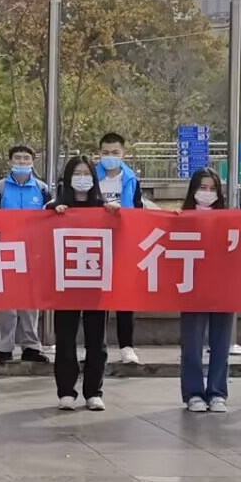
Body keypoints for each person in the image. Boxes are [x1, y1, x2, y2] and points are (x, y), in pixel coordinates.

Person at [50, 156, 113, 411]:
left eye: (87, 173)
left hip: (96, 281)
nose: (82, 178)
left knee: (97, 340)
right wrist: (54, 214)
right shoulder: (55, 207)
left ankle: (93, 392)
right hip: (65, 283)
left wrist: (115, 215)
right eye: (77, 173)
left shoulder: (104, 208)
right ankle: (66, 390)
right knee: (65, 339)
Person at [0, 145, 49, 365]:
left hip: (33, 252)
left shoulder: (42, 189)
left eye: (26, 158)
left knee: (30, 302)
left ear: (33, 162)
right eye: (17, 158)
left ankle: (31, 346)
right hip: (5, 250)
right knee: (7, 302)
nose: (22, 162)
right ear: (10, 161)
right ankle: (4, 347)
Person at [178, 169, 232, 413]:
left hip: (223, 287)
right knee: (192, 343)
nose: (207, 193)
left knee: (221, 343)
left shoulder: (229, 219)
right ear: (193, 190)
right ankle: (193, 393)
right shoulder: (182, 217)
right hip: (192, 287)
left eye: (212, 189)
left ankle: (217, 392)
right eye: (202, 188)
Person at [96, 133, 147, 365]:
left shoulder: (131, 179)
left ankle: (127, 346)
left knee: (125, 296)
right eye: (106, 152)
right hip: (95, 243)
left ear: (123, 154)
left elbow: (138, 209)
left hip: (123, 243)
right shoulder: (90, 176)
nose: (110, 157)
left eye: (115, 152)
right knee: (97, 298)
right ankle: (96, 345)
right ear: (99, 153)